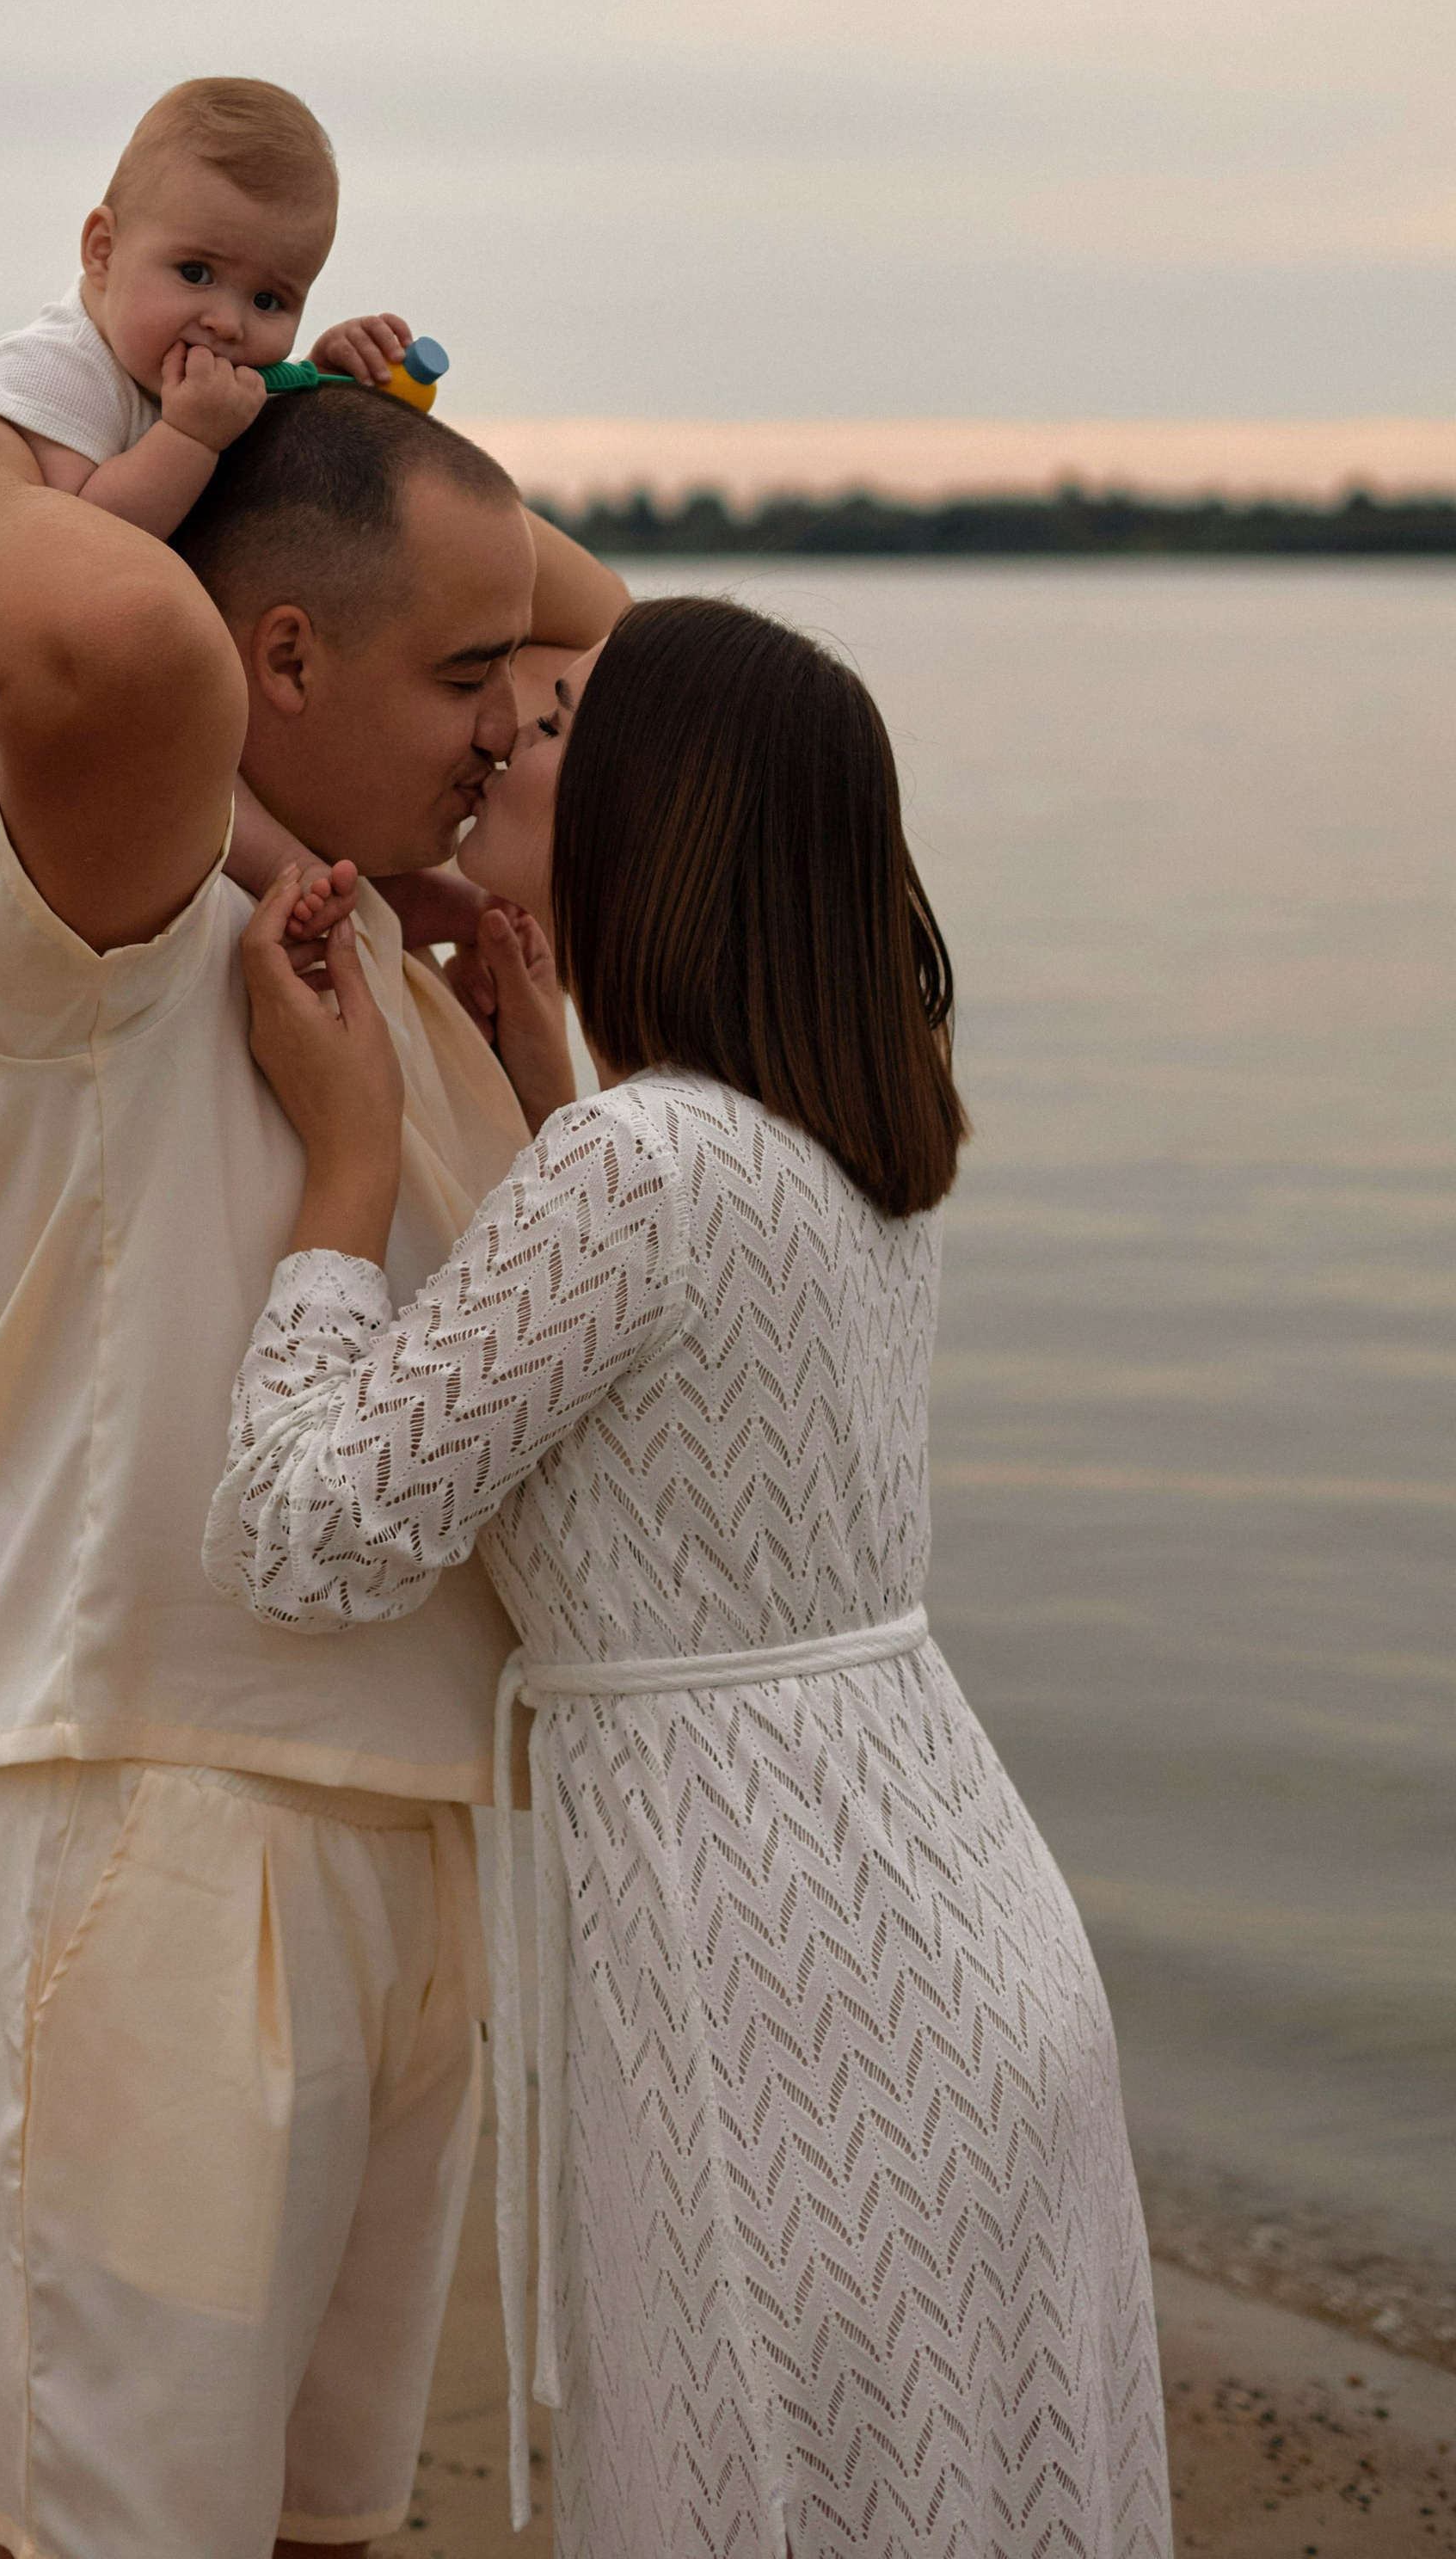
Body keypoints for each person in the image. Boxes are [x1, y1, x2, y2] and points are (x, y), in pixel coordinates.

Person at [207, 594, 1172, 2559]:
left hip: (766, 1957)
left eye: (551, 718)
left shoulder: (634, 1171)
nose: (495, 738)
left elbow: (304, 1533)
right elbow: (670, 1420)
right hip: (952, 1933)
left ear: (666, 806)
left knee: (758, 2481)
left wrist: (343, 1170)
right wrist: (548, 1080)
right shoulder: (828, 1147)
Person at [0, 363, 626, 2559]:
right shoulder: (76, 891)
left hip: (398, 1828)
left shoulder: (382, 931)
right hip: (143, 1820)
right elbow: (112, 642)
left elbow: (611, 638)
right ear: (279, 658)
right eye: (463, 674)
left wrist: (297, 404)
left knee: (324, 2527)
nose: (511, 717)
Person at [0, 73, 415, 536]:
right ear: (104, 251)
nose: (227, 323)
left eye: (268, 300)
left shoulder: (205, 392)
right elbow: (74, 544)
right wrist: (189, 439)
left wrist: (315, 384)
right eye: (195, 273)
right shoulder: (50, 372)